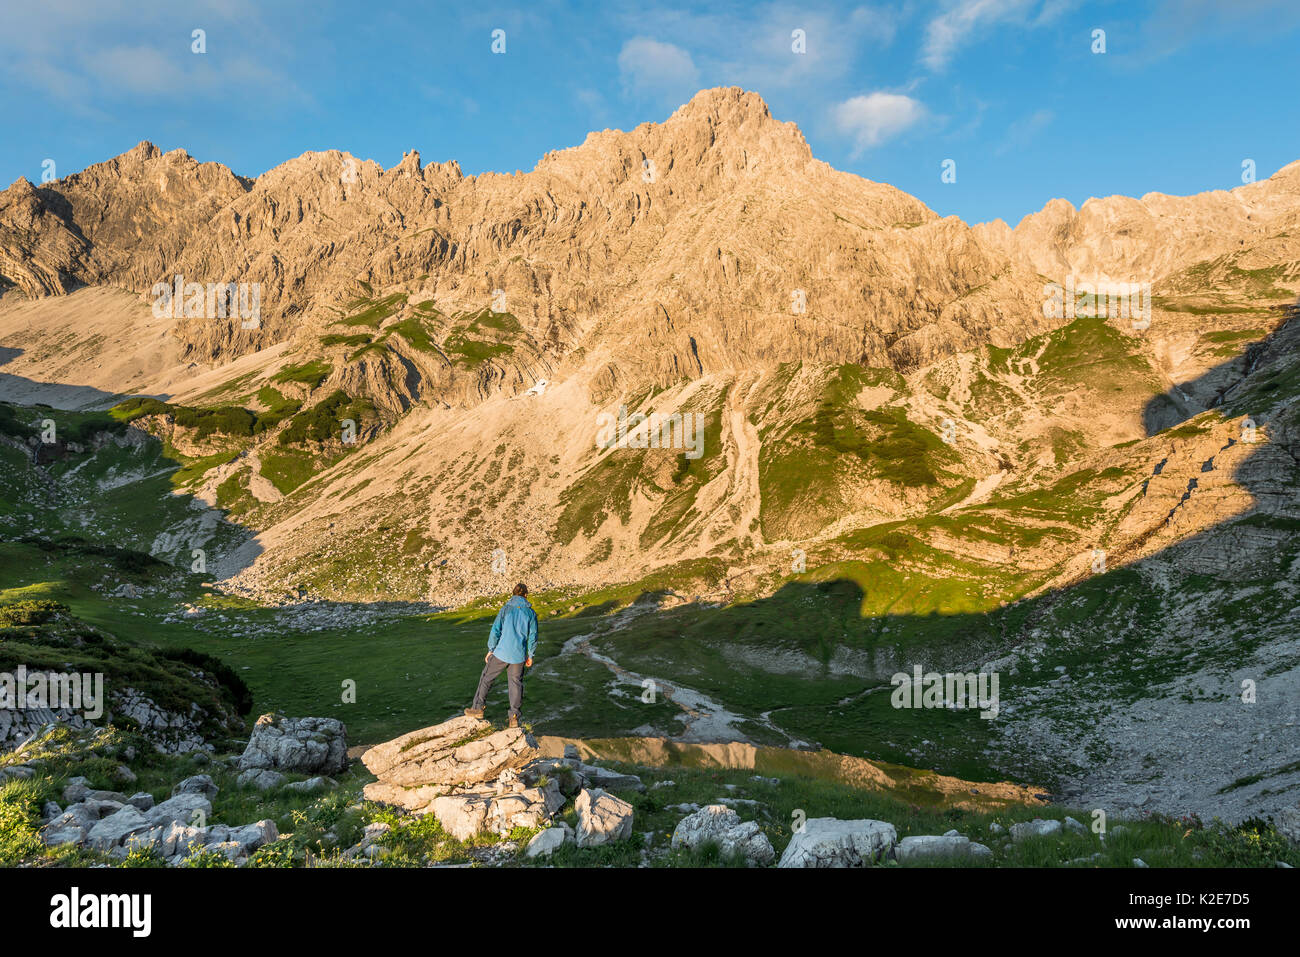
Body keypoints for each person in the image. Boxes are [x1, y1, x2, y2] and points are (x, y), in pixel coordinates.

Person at [465, 583, 537, 728]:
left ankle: (478, 708)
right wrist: (530, 654)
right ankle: (514, 717)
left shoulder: (506, 609)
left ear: (513, 594)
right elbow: (533, 636)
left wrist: (491, 648)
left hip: (501, 652)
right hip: (519, 656)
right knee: (515, 685)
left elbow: (495, 630)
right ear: (526, 595)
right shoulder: (531, 613)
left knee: (486, 678)